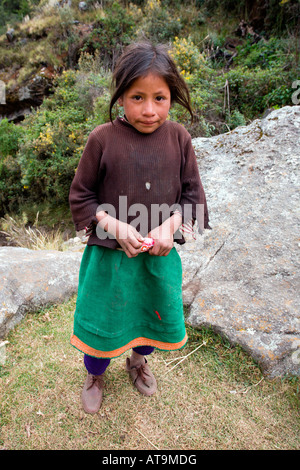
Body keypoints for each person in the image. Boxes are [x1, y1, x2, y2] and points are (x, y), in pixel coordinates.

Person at [69, 41, 209, 414]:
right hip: (109, 258)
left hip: (157, 256)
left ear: (172, 98)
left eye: (160, 98)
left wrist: (172, 225)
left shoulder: (180, 139)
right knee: (102, 320)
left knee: (150, 314)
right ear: (121, 97)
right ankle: (95, 374)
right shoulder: (102, 139)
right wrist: (112, 225)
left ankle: (137, 361)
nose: (149, 110)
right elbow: (81, 196)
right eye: (137, 97)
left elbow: (192, 195)